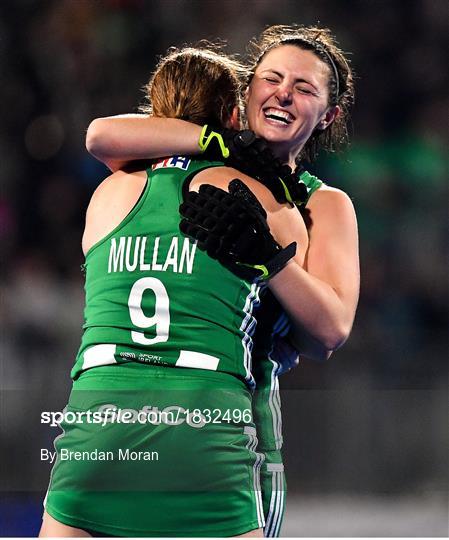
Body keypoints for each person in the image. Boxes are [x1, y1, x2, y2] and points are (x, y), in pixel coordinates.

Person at [85, 24, 360, 537]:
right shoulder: (198, 166)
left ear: (328, 115)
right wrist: (221, 142)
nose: (283, 92)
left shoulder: (322, 203)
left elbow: (329, 331)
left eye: (304, 88)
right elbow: (100, 135)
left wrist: (270, 261)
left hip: (244, 427)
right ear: (246, 91)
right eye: (271, 78)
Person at [40, 47, 309, 538]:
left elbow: (102, 136)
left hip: (99, 413)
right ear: (234, 114)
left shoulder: (107, 194)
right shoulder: (270, 200)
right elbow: (299, 328)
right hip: (205, 415)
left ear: (153, 110)